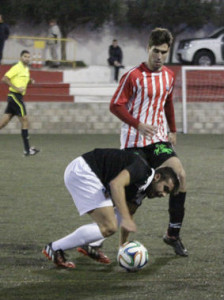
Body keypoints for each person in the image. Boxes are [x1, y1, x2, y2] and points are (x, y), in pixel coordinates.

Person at [81, 28, 188, 260]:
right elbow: (115, 106)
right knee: (133, 200)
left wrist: (173, 129)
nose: (159, 56)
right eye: (156, 51)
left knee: (179, 176)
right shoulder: (132, 76)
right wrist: (138, 124)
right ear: (147, 49)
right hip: (134, 142)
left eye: (164, 52)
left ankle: (173, 234)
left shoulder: (169, 75)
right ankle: (114, 246)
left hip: (158, 139)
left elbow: (168, 102)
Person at [42, 148, 179, 268]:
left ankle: (92, 244)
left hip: (92, 175)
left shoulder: (142, 191)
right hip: (83, 171)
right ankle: (55, 248)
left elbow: (127, 215)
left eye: (167, 193)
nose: (163, 194)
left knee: (118, 214)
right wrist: (125, 217)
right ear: (157, 177)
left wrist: (122, 248)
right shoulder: (142, 170)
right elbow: (116, 185)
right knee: (109, 227)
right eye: (165, 188)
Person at [0, 50, 39, 156]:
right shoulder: (17, 67)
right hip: (15, 96)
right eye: (25, 56)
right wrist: (16, 88)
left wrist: (30, 81)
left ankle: (28, 149)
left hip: (16, 97)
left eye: (28, 57)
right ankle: (27, 150)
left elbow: (23, 80)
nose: (27, 58)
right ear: (21, 57)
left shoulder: (26, 69)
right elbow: (4, 78)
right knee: (25, 120)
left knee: (3, 123)